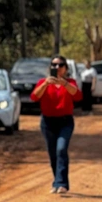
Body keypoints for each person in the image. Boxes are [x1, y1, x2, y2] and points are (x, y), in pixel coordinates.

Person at [30, 54, 82, 194]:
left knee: (61, 149)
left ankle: (62, 184)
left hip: (65, 122)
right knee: (53, 154)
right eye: (54, 65)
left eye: (60, 65)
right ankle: (57, 182)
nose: (57, 67)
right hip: (48, 122)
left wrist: (64, 83)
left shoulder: (71, 82)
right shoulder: (43, 82)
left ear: (65, 68)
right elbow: (34, 97)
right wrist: (46, 84)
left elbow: (77, 96)